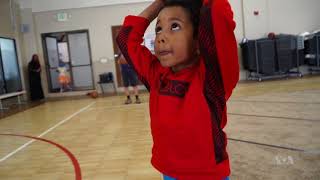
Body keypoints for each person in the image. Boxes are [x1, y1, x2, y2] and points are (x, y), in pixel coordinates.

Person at [116, 0, 239, 179]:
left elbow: (217, 12)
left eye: (174, 26)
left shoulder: (213, 78)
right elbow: (125, 39)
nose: (161, 37)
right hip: (169, 174)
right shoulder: (156, 75)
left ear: (199, 40)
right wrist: (160, 3)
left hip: (209, 175)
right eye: (158, 29)